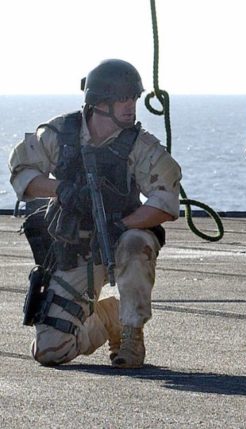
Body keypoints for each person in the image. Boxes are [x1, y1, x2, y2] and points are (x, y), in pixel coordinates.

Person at [8, 59, 181, 368]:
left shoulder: (140, 145)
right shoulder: (61, 133)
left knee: (136, 243)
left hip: (120, 239)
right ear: (100, 103)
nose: (131, 106)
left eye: (133, 99)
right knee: (49, 351)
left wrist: (122, 225)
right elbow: (22, 170)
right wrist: (60, 189)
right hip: (75, 247)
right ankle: (109, 315)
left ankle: (131, 330)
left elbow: (165, 203)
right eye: (123, 99)